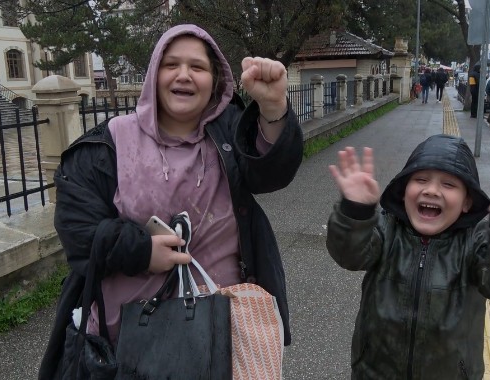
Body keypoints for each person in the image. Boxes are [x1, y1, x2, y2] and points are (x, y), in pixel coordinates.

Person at [38, 24, 303, 379]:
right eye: (171, 64)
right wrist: (140, 251)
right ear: (153, 75)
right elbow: (76, 226)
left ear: (215, 81)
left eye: (197, 67)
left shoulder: (229, 133)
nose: (183, 75)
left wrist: (272, 108)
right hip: (127, 345)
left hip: (219, 335)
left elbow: (271, 173)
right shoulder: (108, 145)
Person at [326, 134, 490, 379]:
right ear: (403, 193)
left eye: (449, 184)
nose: (432, 190)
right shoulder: (386, 228)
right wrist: (356, 212)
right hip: (374, 371)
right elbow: (349, 255)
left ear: (467, 202)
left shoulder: (476, 241)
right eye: (421, 179)